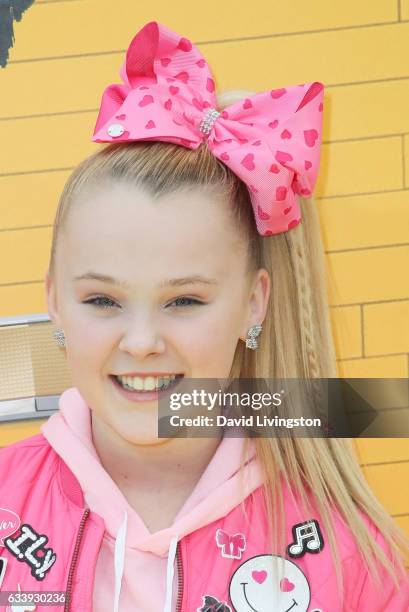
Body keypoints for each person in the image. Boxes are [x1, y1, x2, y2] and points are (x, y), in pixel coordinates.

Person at [0, 20, 408, 612]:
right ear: (54, 300)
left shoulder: (348, 561)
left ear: (254, 304)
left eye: (184, 301)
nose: (140, 342)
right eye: (102, 300)